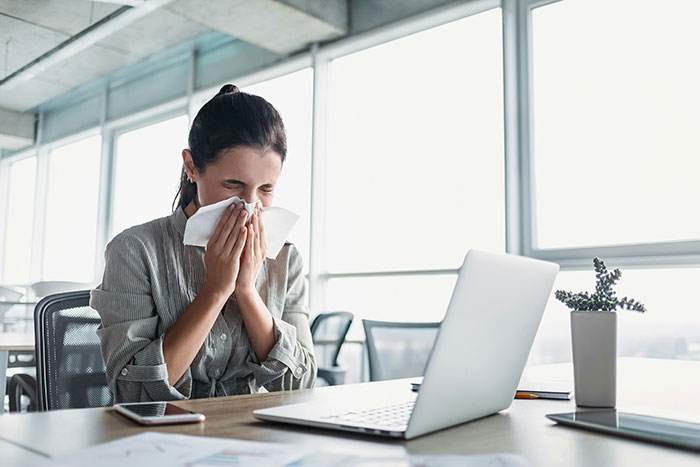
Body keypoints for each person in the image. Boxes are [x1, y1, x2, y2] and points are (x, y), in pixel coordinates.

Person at [91, 84, 316, 403]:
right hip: (160, 437)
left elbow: (302, 385)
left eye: (266, 189)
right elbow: (134, 392)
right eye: (233, 185)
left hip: (251, 434)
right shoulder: (136, 250)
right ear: (191, 166)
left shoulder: (286, 258)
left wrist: (247, 293)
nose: (249, 205)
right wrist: (216, 290)